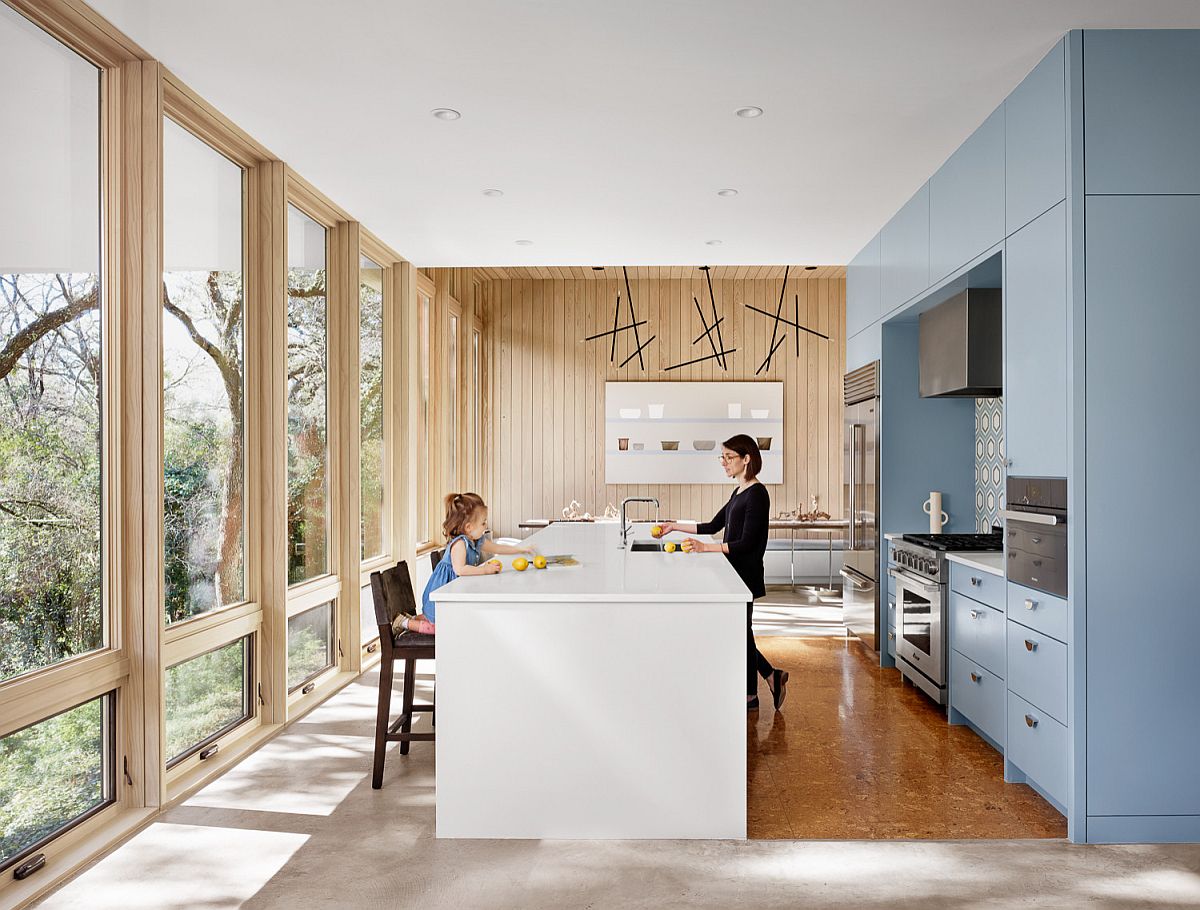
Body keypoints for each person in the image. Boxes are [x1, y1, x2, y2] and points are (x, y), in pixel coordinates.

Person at [659, 435, 788, 711]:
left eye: (729, 457)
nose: (724, 463)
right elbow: (712, 524)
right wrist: (674, 526)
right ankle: (770, 676)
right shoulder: (739, 492)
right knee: (740, 631)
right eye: (723, 457)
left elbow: (747, 543)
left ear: (746, 459)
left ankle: (751, 695)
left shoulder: (758, 494)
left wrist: (707, 549)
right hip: (732, 575)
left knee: (742, 632)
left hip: (746, 574)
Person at [403, 493, 535, 635]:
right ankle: (405, 623)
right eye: (483, 523)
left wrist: (520, 549)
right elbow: (460, 569)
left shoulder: (476, 540)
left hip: (454, 589)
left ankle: (415, 618)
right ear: (468, 527)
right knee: (440, 628)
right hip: (443, 590)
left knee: (438, 619)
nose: (486, 526)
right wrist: (484, 570)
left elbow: (497, 548)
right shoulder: (460, 544)